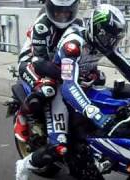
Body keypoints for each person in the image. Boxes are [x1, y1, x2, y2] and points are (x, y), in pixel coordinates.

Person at [15, 4, 130, 180]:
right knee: (58, 147)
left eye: (115, 39)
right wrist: (95, 114)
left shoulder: (102, 41)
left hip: (78, 79)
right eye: (109, 38)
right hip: (57, 81)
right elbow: (67, 85)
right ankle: (25, 165)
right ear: (98, 30)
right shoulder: (72, 44)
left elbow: (125, 66)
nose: (112, 43)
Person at [14, 0, 82, 143]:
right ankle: (22, 115)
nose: (63, 15)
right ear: (50, 9)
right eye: (58, 11)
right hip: (31, 62)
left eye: (67, 11)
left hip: (58, 64)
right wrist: (66, 76)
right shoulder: (42, 25)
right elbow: (40, 63)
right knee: (47, 88)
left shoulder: (79, 25)